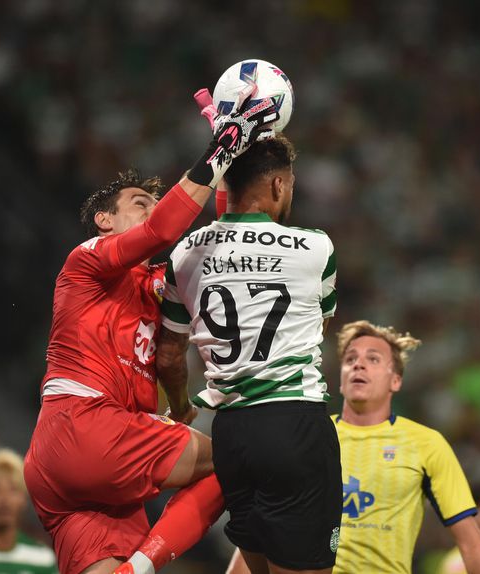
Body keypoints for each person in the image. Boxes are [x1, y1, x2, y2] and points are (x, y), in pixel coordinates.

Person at [23, 96, 280, 574]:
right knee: (239, 458)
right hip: (88, 425)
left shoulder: (161, 283)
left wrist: (236, 167)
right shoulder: (87, 259)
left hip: (69, 461)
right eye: (140, 204)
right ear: (105, 221)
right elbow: (165, 228)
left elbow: (224, 236)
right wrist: (223, 147)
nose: (153, 211)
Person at [156, 133, 342, 574]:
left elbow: (169, 357)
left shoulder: (184, 253)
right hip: (294, 424)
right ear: (278, 185)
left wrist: (181, 407)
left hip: (232, 435)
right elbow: (318, 328)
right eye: (290, 185)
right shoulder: (316, 248)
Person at [226, 320, 480, 574]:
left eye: (373, 359)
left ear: (396, 380)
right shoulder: (306, 436)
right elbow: (261, 524)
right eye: (350, 359)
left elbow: (470, 542)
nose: (358, 365)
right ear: (340, 379)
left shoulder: (427, 444)